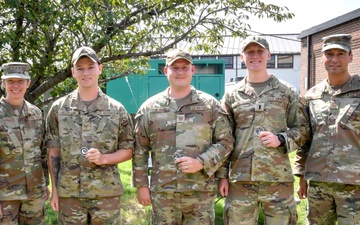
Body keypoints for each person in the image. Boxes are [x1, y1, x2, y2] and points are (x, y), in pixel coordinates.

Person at [132, 48, 234, 225]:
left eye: (185, 67)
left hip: (199, 193)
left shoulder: (210, 106)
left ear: (192, 70)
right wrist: (141, 185)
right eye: (175, 67)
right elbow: (140, 149)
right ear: (165, 71)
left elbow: (225, 142)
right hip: (163, 193)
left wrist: (201, 162)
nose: (180, 72)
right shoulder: (150, 108)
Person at [219, 35, 310, 225]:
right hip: (240, 180)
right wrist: (222, 177)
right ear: (241, 57)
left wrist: (282, 139)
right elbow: (223, 139)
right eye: (249, 52)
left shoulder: (287, 91)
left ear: (268, 55)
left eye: (259, 51)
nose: (255, 55)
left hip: (277, 179)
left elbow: (303, 129)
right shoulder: (232, 95)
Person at [46, 46, 134, 224]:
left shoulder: (116, 110)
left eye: (90, 67)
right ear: (73, 72)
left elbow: (129, 149)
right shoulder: (59, 109)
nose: (86, 73)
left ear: (100, 69)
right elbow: (53, 151)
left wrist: (104, 159)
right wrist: (55, 190)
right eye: (80, 68)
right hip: (70, 194)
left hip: (105, 194)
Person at [295, 34, 360, 224]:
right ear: (322, 58)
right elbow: (305, 139)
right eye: (329, 53)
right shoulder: (312, 96)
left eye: (340, 53)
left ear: (350, 57)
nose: (334, 59)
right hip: (319, 182)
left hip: (354, 184)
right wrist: (301, 176)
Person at [0, 62, 49, 224]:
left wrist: (45, 184)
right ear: (3, 83)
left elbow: (42, 152)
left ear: (28, 83)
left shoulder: (35, 113)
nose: (16, 85)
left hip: (34, 193)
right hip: (5, 196)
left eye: (20, 81)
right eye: (10, 81)